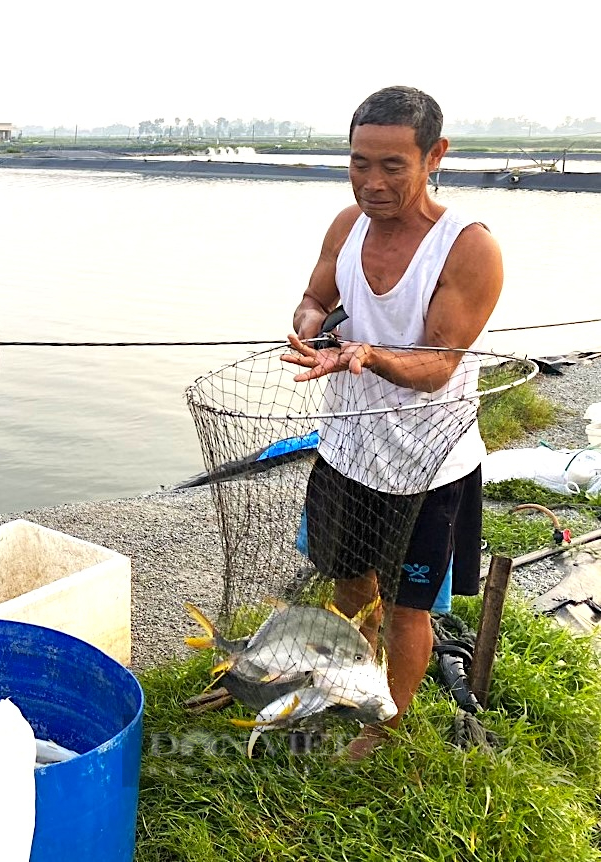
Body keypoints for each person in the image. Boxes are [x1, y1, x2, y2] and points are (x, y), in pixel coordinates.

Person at [283, 85, 502, 757]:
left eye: (391, 166)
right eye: (358, 163)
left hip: (427, 464)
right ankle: (350, 684)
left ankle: (384, 727)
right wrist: (312, 329)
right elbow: (312, 299)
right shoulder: (346, 227)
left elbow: (437, 366)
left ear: (434, 156)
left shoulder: (467, 248)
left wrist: (370, 355)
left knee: (410, 609)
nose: (371, 183)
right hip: (348, 448)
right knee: (352, 584)